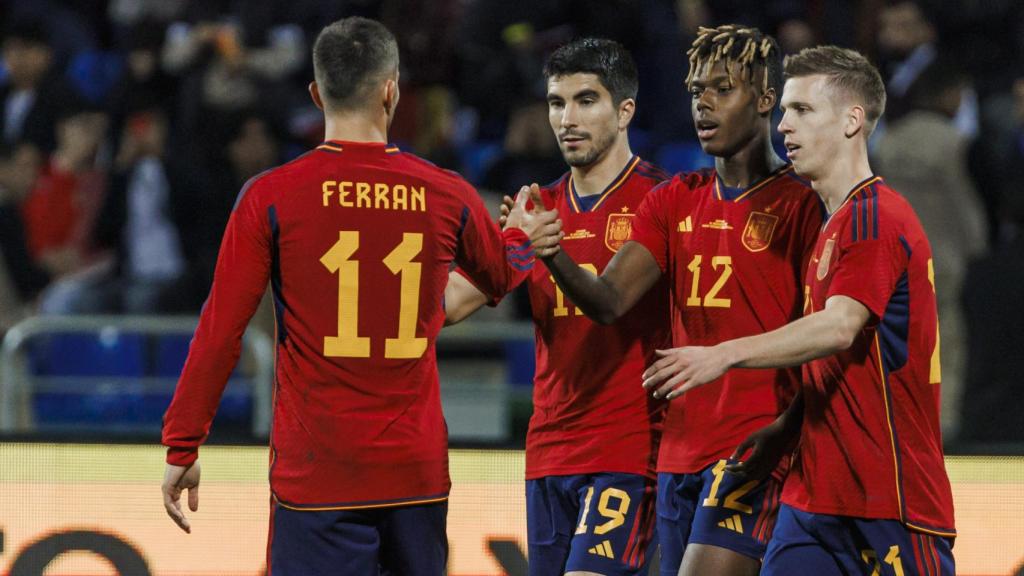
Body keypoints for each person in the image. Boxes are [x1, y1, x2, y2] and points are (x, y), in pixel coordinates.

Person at [159, 17, 557, 576]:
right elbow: (499, 278)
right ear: (392, 89)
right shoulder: (446, 192)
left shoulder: (270, 197)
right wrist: (520, 239)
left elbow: (221, 329)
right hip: (414, 474)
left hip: (318, 476)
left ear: (317, 93)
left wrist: (183, 444)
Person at [641, 46, 957, 574]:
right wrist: (785, 429)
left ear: (853, 121)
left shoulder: (874, 217)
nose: (784, 124)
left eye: (803, 111)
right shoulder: (829, 223)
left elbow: (839, 327)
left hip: (888, 499)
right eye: (784, 109)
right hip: (812, 500)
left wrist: (722, 355)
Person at [527, 25, 823, 576]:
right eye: (695, 91)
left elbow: (829, 336)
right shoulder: (672, 201)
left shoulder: (803, 206)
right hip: (677, 452)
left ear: (764, 101)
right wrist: (553, 254)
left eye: (722, 89)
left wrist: (787, 429)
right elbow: (610, 300)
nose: (703, 105)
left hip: (755, 448)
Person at [444, 38, 669, 576]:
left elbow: (611, 305)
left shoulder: (663, 199)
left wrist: (544, 245)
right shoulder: (537, 209)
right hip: (549, 452)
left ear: (625, 110)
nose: (567, 118)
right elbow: (451, 305)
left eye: (586, 100)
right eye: (556, 102)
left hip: (631, 448)